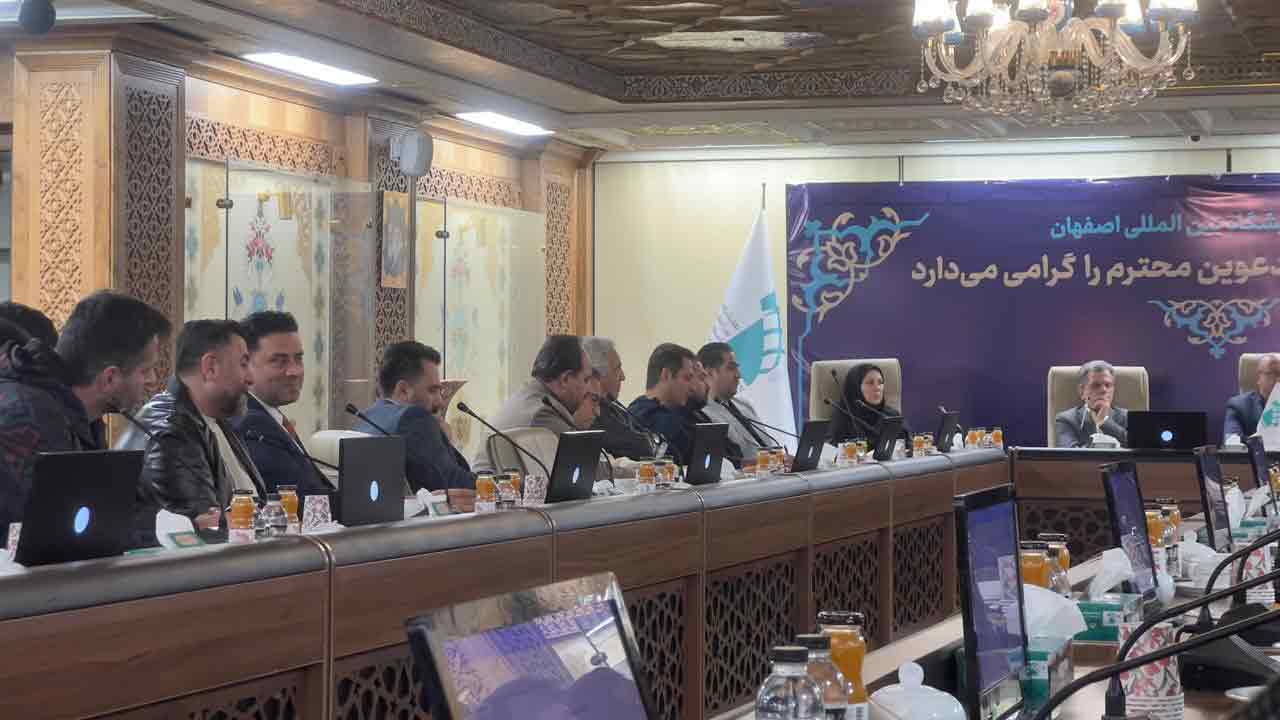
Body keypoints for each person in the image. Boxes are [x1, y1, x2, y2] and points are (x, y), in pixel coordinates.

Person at [0, 291, 170, 548]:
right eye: (145, 370)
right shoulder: (27, 415)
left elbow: (118, 513)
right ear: (109, 378)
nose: (153, 380)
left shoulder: (81, 416)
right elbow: (50, 535)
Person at [120, 320, 267, 546]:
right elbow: (207, 532)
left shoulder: (216, 418)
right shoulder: (171, 431)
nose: (251, 378)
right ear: (210, 367)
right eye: (244, 364)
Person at [354, 341, 475, 507]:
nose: (440, 402)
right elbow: (456, 484)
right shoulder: (413, 418)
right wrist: (499, 484)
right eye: (432, 390)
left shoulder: (369, 416)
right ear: (403, 390)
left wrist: (443, 440)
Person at [231, 311, 332, 496]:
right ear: (245, 364)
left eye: (298, 358)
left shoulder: (272, 416)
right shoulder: (251, 422)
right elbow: (302, 496)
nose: (294, 371)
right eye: (279, 361)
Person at [472, 335, 593, 473]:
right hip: (494, 486)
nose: (588, 390)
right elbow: (583, 465)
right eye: (586, 380)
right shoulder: (541, 412)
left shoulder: (532, 394)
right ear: (565, 379)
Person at [697, 342, 774, 461]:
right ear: (709, 372)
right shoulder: (702, 415)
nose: (739, 375)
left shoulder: (744, 405)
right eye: (731, 368)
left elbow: (768, 446)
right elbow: (727, 462)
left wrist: (781, 459)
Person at [583, 336, 654, 460]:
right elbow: (642, 447)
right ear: (599, 374)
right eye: (617, 369)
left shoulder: (613, 406)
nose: (623, 376)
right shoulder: (590, 414)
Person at [628, 343, 698, 463]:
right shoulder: (641, 416)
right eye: (687, 378)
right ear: (666, 375)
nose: (692, 387)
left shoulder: (680, 414)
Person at [829, 363, 911, 446]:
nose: (877, 388)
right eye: (870, 383)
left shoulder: (892, 415)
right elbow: (832, 450)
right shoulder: (842, 416)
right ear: (856, 387)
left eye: (880, 382)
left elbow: (909, 446)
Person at [1054, 360, 1128, 448]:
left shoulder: (1127, 417)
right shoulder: (1066, 420)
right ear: (1082, 391)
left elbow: (1137, 448)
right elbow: (1070, 454)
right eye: (1096, 385)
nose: (1104, 390)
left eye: (1108, 385)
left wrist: (1105, 422)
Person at [1224, 353, 1280, 441]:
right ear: (1259, 377)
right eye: (1274, 373)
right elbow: (1233, 442)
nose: (1278, 379)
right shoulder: (1238, 406)